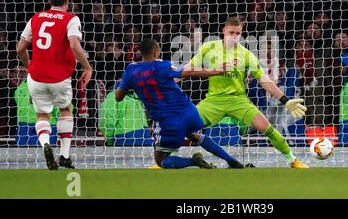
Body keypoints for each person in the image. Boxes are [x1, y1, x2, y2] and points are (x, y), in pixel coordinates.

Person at [185, 17, 309, 168]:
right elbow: (189, 68)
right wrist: (170, 78)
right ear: (223, 31)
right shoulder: (208, 48)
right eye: (231, 32)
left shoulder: (246, 54)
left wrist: (285, 100)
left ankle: (292, 160)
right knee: (183, 126)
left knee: (266, 127)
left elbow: (265, 81)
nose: (234, 36)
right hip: (213, 100)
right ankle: (165, 159)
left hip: (238, 100)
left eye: (237, 33)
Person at [115, 39, 244, 169]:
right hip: (190, 112)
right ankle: (231, 160)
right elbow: (189, 72)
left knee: (162, 160)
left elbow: (118, 97)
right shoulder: (163, 65)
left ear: (140, 53)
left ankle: (194, 162)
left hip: (168, 120)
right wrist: (215, 71)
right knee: (194, 134)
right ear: (156, 52)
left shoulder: (131, 71)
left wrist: (132, 85)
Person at [16, 0, 93, 170]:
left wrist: (29, 66)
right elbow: (74, 45)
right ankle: (65, 155)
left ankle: (45, 144)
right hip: (59, 77)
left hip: (36, 77)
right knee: (65, 110)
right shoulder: (71, 19)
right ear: (67, 2)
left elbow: (20, 48)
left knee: (42, 114)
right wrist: (87, 66)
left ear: (49, 1)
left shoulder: (36, 18)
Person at [100, 82, 152, 146]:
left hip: (143, 138)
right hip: (127, 139)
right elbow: (107, 121)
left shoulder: (136, 96)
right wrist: (111, 139)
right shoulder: (114, 96)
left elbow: (106, 121)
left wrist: (110, 140)